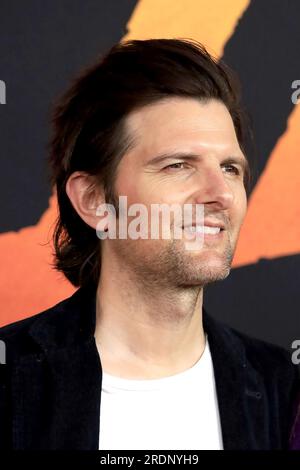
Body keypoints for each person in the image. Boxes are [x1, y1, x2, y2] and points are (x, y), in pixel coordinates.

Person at [0, 38, 299, 450]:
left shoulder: (286, 394)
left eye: (230, 168)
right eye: (178, 165)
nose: (222, 194)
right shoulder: (11, 380)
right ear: (93, 200)